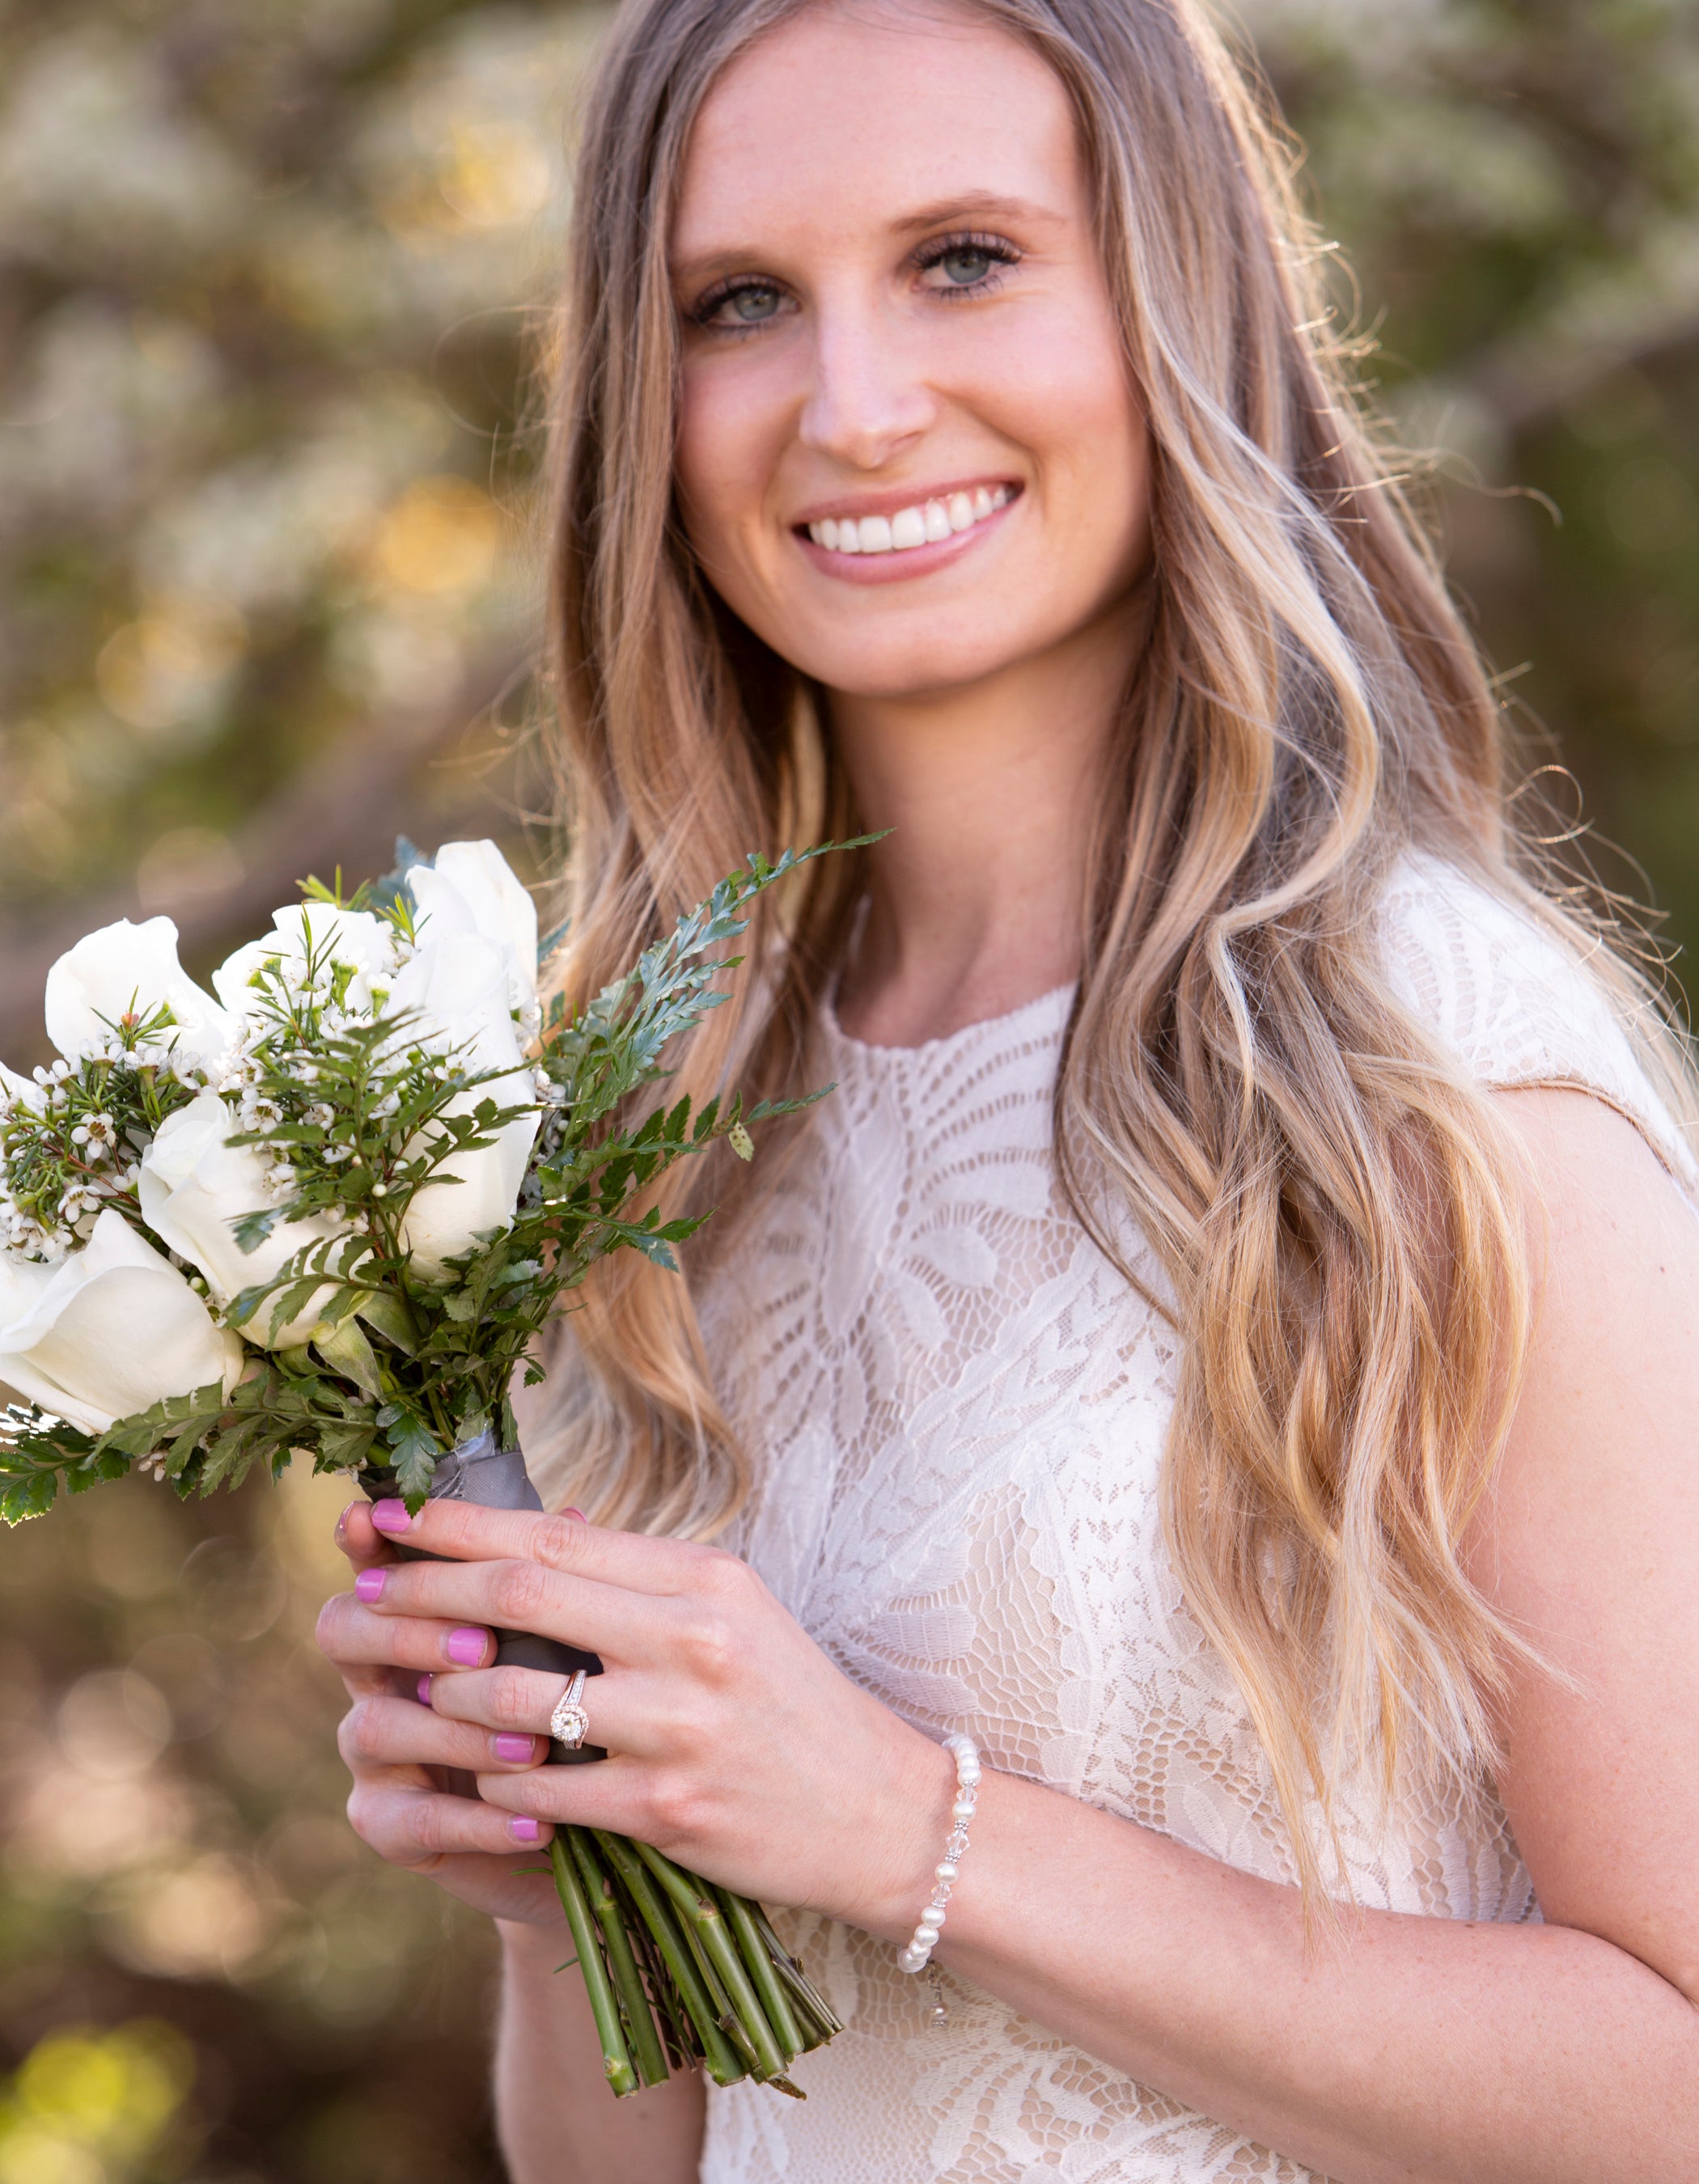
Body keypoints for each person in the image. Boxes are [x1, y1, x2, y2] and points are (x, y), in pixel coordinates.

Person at [313, 0, 1699, 2177]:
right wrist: (570, 1885)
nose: (854, 408)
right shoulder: (647, 1122)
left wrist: (906, 1826)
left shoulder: (1446, 1072)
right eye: (739, 303)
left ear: (1176, 302)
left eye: (962, 258)